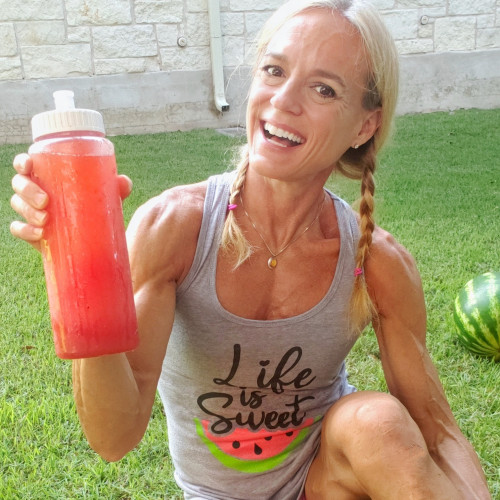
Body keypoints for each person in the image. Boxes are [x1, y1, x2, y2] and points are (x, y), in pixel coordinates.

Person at [10, 0, 491, 499]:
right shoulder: (175, 228)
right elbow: (114, 437)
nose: (283, 101)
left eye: (323, 88)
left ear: (364, 126)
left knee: (376, 422)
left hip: (325, 485)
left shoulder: (377, 261)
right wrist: (84, 277)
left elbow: (439, 433)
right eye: (273, 70)